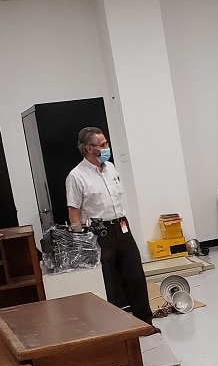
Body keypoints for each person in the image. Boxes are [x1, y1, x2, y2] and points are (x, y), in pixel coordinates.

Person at [66, 126, 153, 328]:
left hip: (121, 226)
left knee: (135, 276)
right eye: (103, 144)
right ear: (89, 148)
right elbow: (73, 210)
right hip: (98, 233)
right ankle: (116, 328)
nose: (107, 147)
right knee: (109, 282)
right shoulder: (76, 176)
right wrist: (80, 242)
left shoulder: (111, 168)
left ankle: (145, 323)